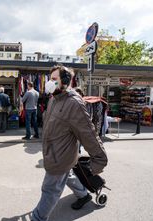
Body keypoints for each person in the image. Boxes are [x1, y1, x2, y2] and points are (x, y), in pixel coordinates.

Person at [32, 65, 108, 221]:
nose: (49, 82)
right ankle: (84, 195)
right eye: (50, 79)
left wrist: (99, 160)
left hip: (60, 158)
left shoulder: (74, 103)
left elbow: (89, 134)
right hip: (56, 153)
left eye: (54, 79)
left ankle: (37, 218)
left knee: (49, 190)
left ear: (65, 81)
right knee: (68, 175)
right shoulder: (54, 99)